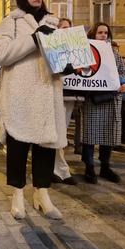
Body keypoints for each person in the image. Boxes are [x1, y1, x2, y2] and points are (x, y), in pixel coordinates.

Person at [0, 0, 66, 220]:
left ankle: (42, 194)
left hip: (47, 90)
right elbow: (1, 54)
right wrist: (34, 39)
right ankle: (17, 193)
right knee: (18, 146)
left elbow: (62, 59)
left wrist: (72, 62)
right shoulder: (11, 22)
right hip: (19, 94)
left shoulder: (55, 23)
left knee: (46, 145)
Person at [80, 23, 125, 184]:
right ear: (93, 35)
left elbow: (122, 72)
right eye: (100, 32)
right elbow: (82, 72)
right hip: (93, 98)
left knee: (108, 132)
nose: (103, 35)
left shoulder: (114, 54)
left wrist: (124, 84)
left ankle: (105, 166)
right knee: (90, 134)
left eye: (105, 33)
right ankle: (89, 167)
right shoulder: (87, 52)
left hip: (111, 98)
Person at [52, 17, 78, 186]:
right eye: (62, 28)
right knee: (59, 133)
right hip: (56, 94)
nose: (65, 30)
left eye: (68, 27)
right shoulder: (53, 49)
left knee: (62, 131)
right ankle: (61, 169)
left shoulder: (76, 47)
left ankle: (57, 168)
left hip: (71, 95)